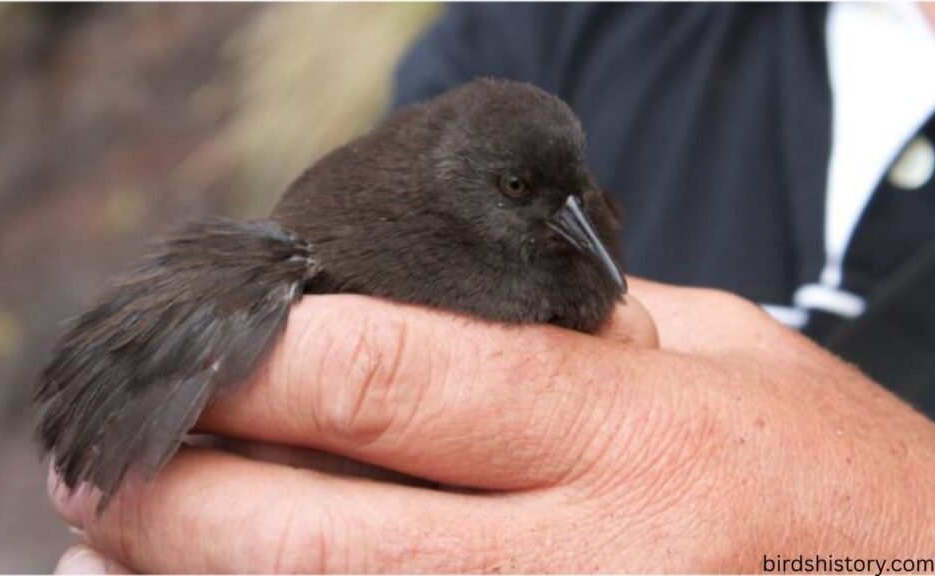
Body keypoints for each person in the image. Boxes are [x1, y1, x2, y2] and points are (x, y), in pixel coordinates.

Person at [49, 4, 935, 573]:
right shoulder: (556, 22)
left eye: (578, 195)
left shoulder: (564, 198)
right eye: (524, 195)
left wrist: (898, 536)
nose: (580, 219)